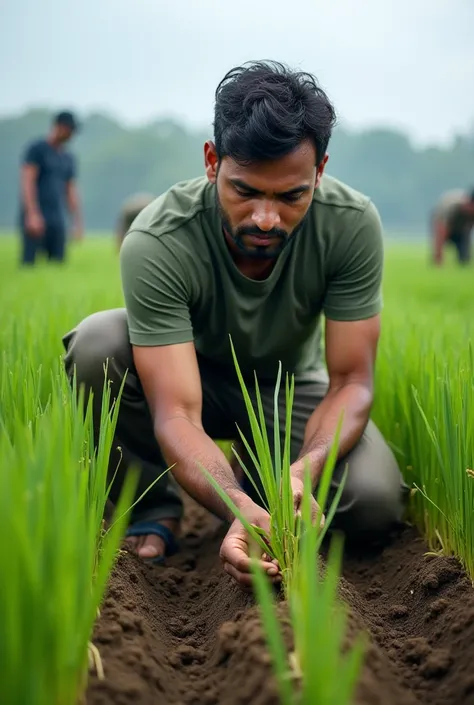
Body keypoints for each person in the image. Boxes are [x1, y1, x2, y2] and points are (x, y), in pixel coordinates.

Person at [62, 61, 407, 590]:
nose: (266, 218)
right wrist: (237, 508)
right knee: (97, 344)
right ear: (211, 161)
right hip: (192, 378)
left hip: (288, 390)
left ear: (319, 172)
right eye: (245, 190)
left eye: (291, 196)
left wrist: (302, 471)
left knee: (374, 502)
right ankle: (156, 506)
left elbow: (350, 382)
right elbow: (176, 412)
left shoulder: (350, 223)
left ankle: (270, 478)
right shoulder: (160, 238)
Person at [19, 110, 83, 265]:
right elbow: (27, 182)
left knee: (57, 265)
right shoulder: (37, 149)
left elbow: (71, 190)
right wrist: (32, 214)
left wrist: (77, 221)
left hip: (57, 217)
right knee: (29, 265)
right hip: (36, 214)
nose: (71, 135)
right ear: (60, 127)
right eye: (70, 130)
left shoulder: (67, 157)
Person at [431, 188, 474, 266]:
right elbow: (441, 229)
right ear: (469, 204)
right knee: (438, 255)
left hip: (462, 230)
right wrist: (439, 255)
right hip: (445, 224)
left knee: (464, 258)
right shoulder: (451, 205)